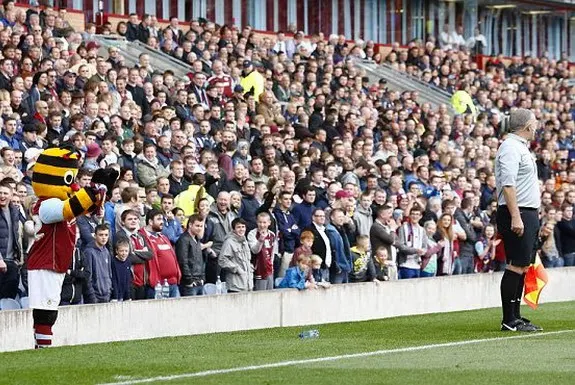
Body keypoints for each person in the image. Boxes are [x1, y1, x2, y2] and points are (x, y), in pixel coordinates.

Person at [495, 108, 542, 332]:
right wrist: (516, 216)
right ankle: (508, 319)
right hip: (518, 212)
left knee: (523, 265)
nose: (537, 126)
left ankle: (516, 315)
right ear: (527, 126)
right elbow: (508, 184)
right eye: (534, 123)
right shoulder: (511, 148)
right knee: (515, 265)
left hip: (526, 211)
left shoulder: (520, 147)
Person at [140, 209, 181, 298]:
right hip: (157, 285)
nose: (162, 222)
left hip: (173, 283)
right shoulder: (142, 237)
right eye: (159, 219)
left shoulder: (163, 237)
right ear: (150, 221)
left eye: (162, 219)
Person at [0, 181, 22, 300]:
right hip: (1, 260)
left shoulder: (14, 211)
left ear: (11, 195)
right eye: (0, 193)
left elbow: (15, 235)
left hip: (11, 262)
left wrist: (18, 257)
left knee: (9, 299)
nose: (2, 196)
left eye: (5, 193)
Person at [218, 218, 253, 292]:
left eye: (243, 227)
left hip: (247, 284)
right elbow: (222, 260)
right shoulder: (229, 242)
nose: (241, 229)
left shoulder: (244, 241)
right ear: (233, 229)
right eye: (238, 227)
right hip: (235, 285)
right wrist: (236, 269)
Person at [175, 214, 205, 296]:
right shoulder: (183, 239)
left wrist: (202, 278)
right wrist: (189, 280)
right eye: (197, 226)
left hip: (199, 281)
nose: (199, 228)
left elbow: (200, 260)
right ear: (190, 225)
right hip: (189, 284)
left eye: (201, 226)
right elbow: (182, 261)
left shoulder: (197, 239)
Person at [83, 224, 113, 303]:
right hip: (94, 296)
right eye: (101, 235)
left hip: (106, 295)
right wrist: (92, 295)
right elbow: (87, 276)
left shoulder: (106, 251)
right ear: (95, 236)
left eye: (106, 235)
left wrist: (109, 290)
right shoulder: (89, 252)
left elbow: (109, 273)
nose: (104, 237)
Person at [247, 212, 275, 290]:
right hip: (258, 269)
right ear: (256, 222)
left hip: (269, 269)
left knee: (270, 292)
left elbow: (272, 253)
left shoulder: (272, 235)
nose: (262, 225)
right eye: (260, 222)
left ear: (269, 223)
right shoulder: (252, 234)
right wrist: (260, 240)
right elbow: (255, 250)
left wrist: (271, 266)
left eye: (264, 222)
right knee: (260, 294)